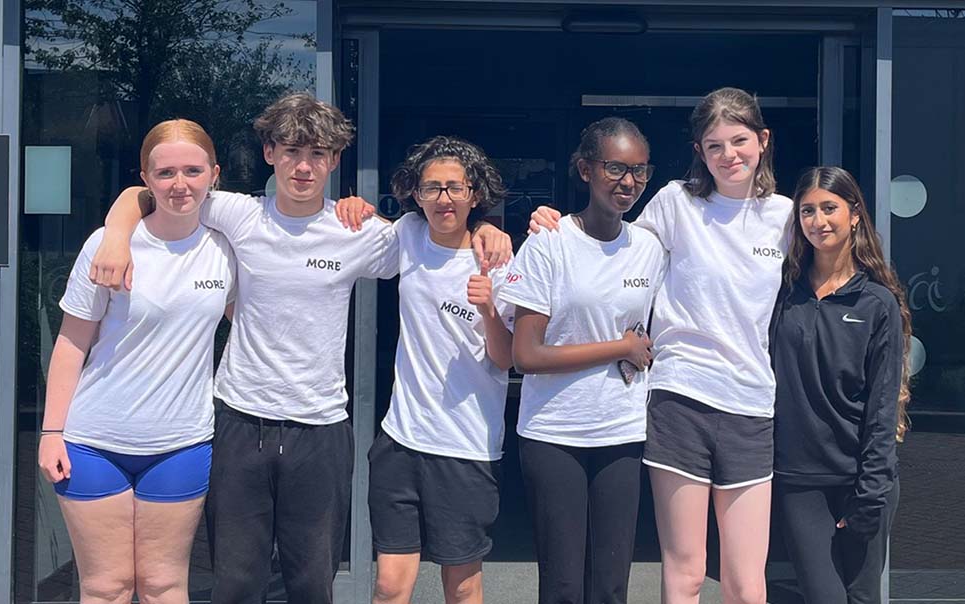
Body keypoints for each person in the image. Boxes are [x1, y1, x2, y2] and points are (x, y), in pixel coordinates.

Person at [88, 93, 512, 604]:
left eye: (317, 154)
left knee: (312, 584)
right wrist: (116, 234)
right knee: (236, 583)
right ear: (270, 153)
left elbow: (441, 229)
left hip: (321, 428)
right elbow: (152, 192)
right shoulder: (238, 214)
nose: (303, 166)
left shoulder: (359, 231)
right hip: (240, 419)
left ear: (335, 160)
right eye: (291, 151)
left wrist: (488, 227)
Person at [531, 87, 791, 604]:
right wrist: (552, 224)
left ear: (763, 140)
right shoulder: (676, 202)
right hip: (679, 400)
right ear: (699, 151)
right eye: (714, 145)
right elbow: (613, 247)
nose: (728, 155)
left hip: (750, 406)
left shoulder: (785, 216)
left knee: (746, 584)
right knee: (686, 575)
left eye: (739, 141)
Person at [38, 118, 235, 604]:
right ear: (145, 179)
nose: (180, 184)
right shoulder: (108, 246)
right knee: (106, 587)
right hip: (94, 441)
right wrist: (50, 431)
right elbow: (71, 342)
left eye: (192, 171)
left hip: (180, 443)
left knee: (163, 585)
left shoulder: (227, 249)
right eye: (165, 173)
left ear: (214, 174)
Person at [336, 136, 514, 604]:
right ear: (416, 194)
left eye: (455, 187)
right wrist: (352, 205)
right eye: (432, 187)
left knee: (463, 587)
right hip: (401, 442)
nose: (443, 198)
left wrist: (489, 309)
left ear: (475, 193)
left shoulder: (498, 262)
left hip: (465, 447)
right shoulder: (409, 234)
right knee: (389, 586)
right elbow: (367, 228)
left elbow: (507, 358)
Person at [500, 117, 664, 604]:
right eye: (615, 168)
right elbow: (526, 355)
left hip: (622, 430)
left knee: (611, 586)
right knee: (564, 586)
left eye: (639, 170)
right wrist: (621, 348)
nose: (628, 181)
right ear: (586, 169)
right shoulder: (549, 243)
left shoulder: (649, 248)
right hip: (555, 432)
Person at [771, 166, 908, 604]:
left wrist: (871, 493)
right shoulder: (781, 292)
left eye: (829, 208)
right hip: (800, 480)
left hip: (861, 480)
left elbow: (883, 406)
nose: (818, 221)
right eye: (807, 211)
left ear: (855, 215)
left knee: (862, 598)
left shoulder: (877, 303)